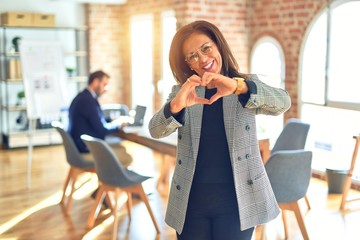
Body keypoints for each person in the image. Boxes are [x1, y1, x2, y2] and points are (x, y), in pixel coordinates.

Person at [148, 20, 291, 240]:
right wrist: (176, 105)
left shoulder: (244, 86)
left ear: (218, 46)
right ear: (188, 64)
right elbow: (155, 130)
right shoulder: (183, 92)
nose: (202, 59)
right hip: (190, 202)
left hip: (238, 201)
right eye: (192, 56)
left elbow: (283, 102)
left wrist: (238, 87)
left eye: (206, 48)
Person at [68, 70, 132, 167]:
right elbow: (102, 129)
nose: (106, 89)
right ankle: (113, 181)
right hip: (86, 149)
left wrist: (110, 120)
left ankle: (107, 180)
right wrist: (118, 124)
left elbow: (93, 120)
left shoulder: (82, 97)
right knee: (125, 155)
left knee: (118, 147)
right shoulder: (88, 100)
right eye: (104, 84)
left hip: (79, 147)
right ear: (96, 82)